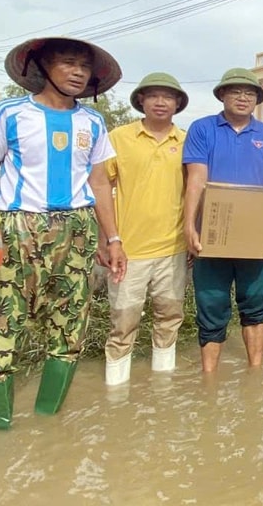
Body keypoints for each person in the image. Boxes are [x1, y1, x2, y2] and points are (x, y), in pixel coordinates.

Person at [0, 37, 126, 429]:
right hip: (17, 226)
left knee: (70, 326)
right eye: (68, 63)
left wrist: (113, 239)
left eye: (84, 66)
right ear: (43, 67)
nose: (78, 72)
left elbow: (99, 183)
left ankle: (48, 424)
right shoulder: (10, 112)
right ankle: (0, 425)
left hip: (77, 229)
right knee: (1, 322)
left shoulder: (93, 122)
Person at [182, 68, 263, 372]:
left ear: (257, 99)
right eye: (235, 91)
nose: (243, 98)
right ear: (222, 95)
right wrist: (189, 225)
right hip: (213, 231)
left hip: (255, 234)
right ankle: (209, 378)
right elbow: (196, 179)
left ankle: (255, 373)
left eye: (250, 93)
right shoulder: (202, 129)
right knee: (211, 303)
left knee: (255, 301)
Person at [102, 72, 189, 385]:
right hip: (128, 250)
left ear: (177, 103)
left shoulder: (186, 141)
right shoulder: (119, 138)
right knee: (123, 321)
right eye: (153, 96)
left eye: (168, 97)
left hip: (173, 248)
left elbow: (197, 191)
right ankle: (115, 393)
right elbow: (100, 188)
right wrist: (107, 240)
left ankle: (163, 389)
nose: (160, 102)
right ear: (141, 100)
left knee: (170, 318)